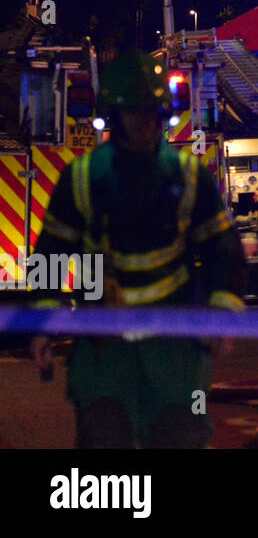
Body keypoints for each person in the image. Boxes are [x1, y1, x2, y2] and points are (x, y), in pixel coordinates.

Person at [28, 51, 246, 448]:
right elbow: (52, 253)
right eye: (136, 112)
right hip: (104, 346)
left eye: (154, 112)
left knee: (182, 434)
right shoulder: (83, 176)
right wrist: (46, 320)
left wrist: (223, 309)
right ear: (116, 114)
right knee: (104, 439)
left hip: (175, 343)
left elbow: (222, 249)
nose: (147, 123)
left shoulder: (186, 174)